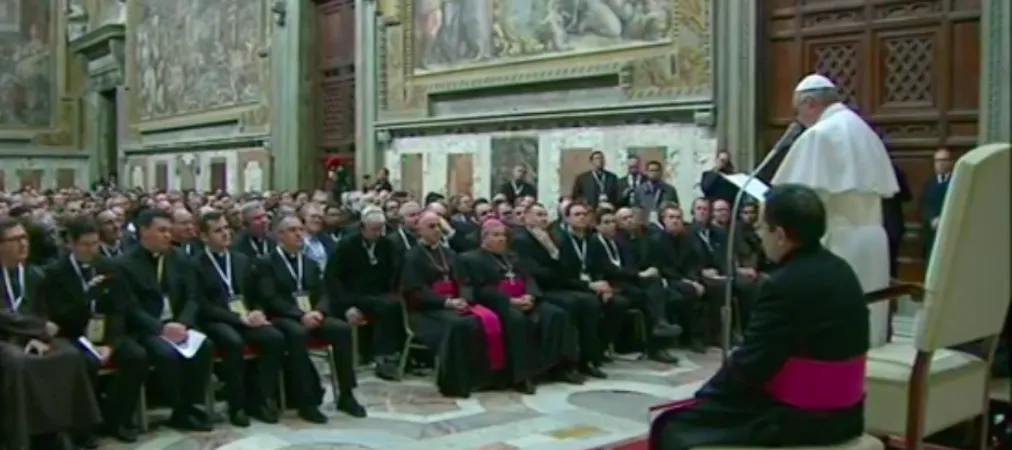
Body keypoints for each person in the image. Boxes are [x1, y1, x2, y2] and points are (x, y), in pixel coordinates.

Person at [649, 184, 869, 449]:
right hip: (849, 412)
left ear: (780, 235)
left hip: (804, 418)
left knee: (671, 426)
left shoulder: (784, 283)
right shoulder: (841, 267)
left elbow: (752, 362)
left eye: (764, 227)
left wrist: (706, 395)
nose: (760, 234)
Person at [772, 73, 899, 347]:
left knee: (835, 332)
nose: (798, 120)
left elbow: (798, 201)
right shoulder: (863, 130)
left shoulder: (821, 134)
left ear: (810, 103)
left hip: (840, 242)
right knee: (868, 323)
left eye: (798, 111)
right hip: (874, 241)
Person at [41, 216, 147, 444]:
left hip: (106, 331)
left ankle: (118, 419)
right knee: (84, 363)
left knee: (136, 356)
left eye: (95, 244)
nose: (91, 250)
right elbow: (58, 315)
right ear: (70, 243)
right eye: (85, 245)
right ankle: (85, 427)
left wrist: (110, 343)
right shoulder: (54, 272)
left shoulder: (110, 267)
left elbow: (119, 309)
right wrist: (86, 296)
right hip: (73, 333)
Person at [0, 217, 102, 450]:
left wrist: (37, 337)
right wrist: (35, 330)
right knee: (17, 362)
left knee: (68, 354)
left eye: (24, 238)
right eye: (15, 240)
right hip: (4, 338)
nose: (23, 244)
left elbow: (43, 311)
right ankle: (20, 437)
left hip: (31, 336)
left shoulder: (34, 274)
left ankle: (70, 430)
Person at [260, 214, 366, 422]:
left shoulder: (308, 262)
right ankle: (306, 401)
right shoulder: (267, 263)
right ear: (279, 235)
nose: (299, 234)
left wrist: (319, 311)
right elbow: (270, 298)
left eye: (300, 229)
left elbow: (324, 292)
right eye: (292, 230)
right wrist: (301, 315)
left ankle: (346, 393)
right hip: (284, 317)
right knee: (298, 334)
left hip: (312, 313)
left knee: (342, 330)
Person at [458, 218, 580, 394]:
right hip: (498, 303)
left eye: (503, 235)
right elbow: (480, 289)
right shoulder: (470, 259)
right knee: (517, 320)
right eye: (496, 235)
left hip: (524, 299)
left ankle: (558, 367)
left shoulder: (512, 256)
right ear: (484, 238)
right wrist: (509, 301)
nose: (502, 239)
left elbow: (528, 278)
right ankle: (521, 377)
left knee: (556, 314)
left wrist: (531, 295)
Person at [118, 209, 214, 431]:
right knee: (165, 354)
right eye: (161, 230)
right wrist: (161, 328)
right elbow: (131, 308)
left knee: (204, 347)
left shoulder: (180, 258)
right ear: (143, 231)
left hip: (178, 324)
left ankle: (191, 405)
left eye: (169, 231)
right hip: (148, 328)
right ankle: (178, 407)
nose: (167, 236)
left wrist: (183, 323)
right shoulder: (125, 263)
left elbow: (192, 297)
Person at [195, 211, 284, 426]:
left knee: (274, 338)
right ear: (204, 237)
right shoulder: (195, 264)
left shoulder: (241, 259)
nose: (225, 233)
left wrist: (258, 311)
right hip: (216, 320)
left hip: (245, 317)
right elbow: (203, 305)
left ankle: (261, 398)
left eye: (227, 228)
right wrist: (240, 318)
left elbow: (257, 293)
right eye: (218, 230)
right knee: (233, 342)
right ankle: (237, 405)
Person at [401, 211, 500, 397]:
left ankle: (480, 379)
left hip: (454, 304)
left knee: (480, 320)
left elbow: (464, 281)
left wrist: (464, 298)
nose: (437, 230)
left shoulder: (450, 254)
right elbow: (415, 292)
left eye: (438, 225)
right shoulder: (412, 257)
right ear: (419, 230)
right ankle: (456, 382)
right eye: (431, 226)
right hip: (426, 311)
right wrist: (446, 302)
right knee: (458, 324)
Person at [325, 206, 403, 380]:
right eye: (373, 229)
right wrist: (347, 306)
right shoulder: (346, 245)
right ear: (362, 227)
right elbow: (333, 279)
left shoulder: (386, 244)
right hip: (352, 295)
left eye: (380, 229)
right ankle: (382, 356)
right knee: (387, 306)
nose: (377, 233)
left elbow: (393, 273)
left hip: (378, 294)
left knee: (395, 304)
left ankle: (390, 354)